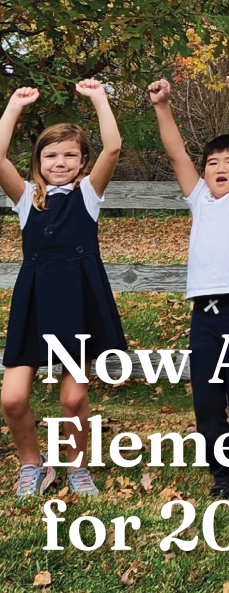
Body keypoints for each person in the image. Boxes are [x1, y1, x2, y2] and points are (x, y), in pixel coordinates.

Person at [150, 75, 229, 499]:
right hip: (204, 315)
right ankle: (224, 477)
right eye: (212, 163)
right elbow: (175, 154)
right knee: (207, 403)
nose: (220, 169)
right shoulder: (200, 200)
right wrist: (162, 106)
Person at [0, 81, 125, 497]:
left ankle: (77, 468)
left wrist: (99, 99)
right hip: (34, 302)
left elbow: (113, 148)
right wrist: (13, 108)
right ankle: (33, 465)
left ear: (83, 160)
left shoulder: (87, 195)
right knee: (13, 398)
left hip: (76, 304)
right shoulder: (24, 200)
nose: (60, 161)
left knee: (73, 400)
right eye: (51, 155)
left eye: (70, 154)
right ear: (37, 161)